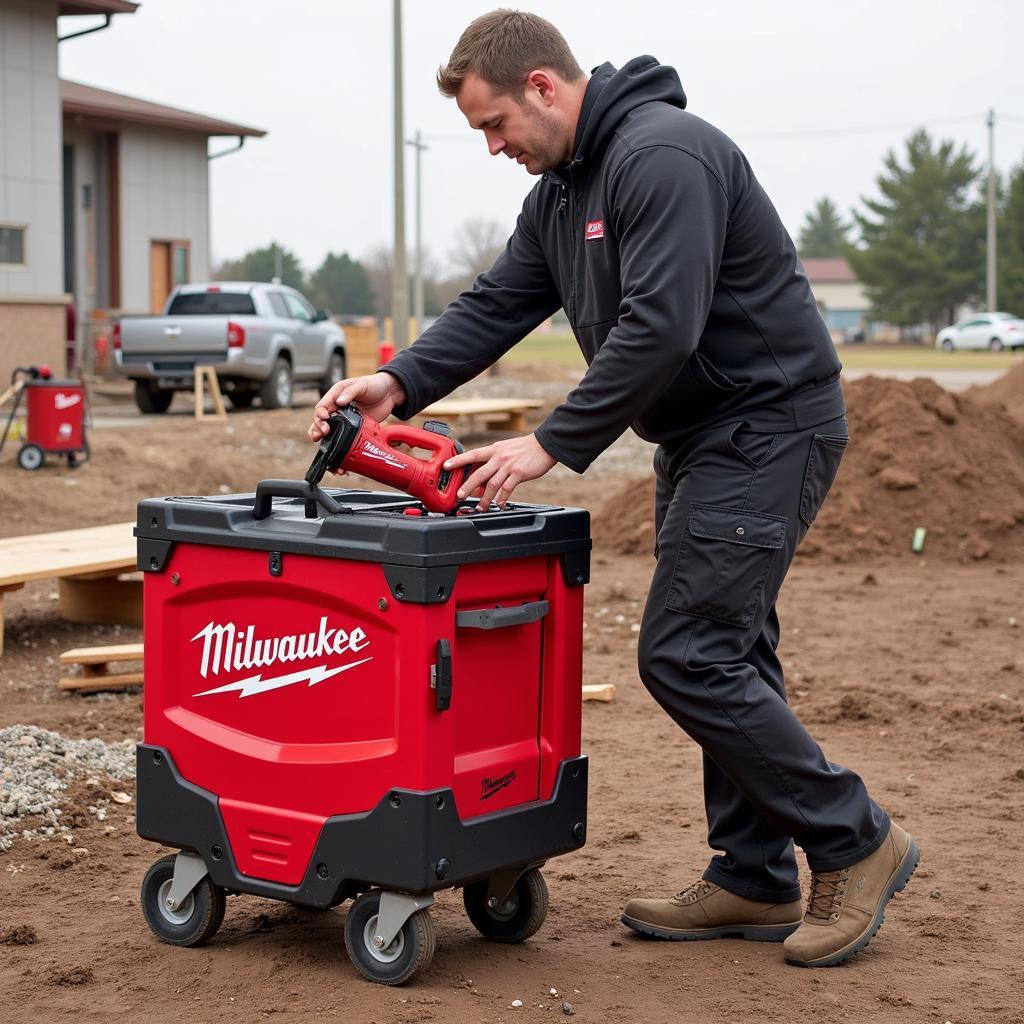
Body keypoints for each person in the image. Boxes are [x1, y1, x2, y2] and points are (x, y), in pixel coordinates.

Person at [309, 9, 918, 968]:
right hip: (707, 434)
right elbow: (503, 300)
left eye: (494, 124)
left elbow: (663, 323)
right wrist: (399, 382)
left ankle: (855, 838)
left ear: (543, 87)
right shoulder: (561, 191)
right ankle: (753, 876)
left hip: (769, 427)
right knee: (731, 651)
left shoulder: (661, 156)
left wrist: (550, 442)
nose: (493, 146)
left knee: (688, 654)